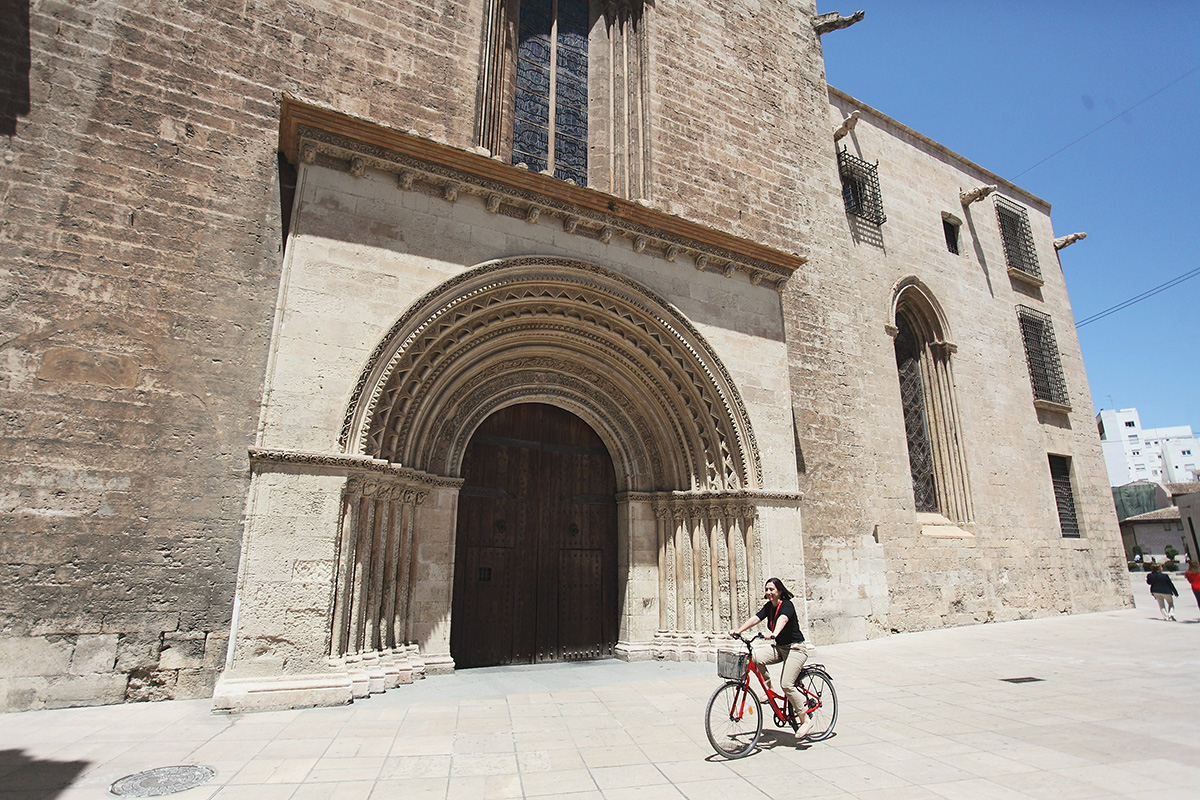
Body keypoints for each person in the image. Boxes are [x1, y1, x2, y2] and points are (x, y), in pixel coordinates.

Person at [730, 577, 813, 738]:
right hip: (780, 648)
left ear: (780, 591)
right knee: (753, 657)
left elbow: (783, 619)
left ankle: (805, 720)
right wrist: (739, 631)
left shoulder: (787, 605)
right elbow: (756, 618)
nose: (768, 592)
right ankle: (770, 690)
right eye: (766, 589)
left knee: (787, 684)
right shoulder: (769, 607)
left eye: (772, 590)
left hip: (795, 648)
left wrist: (774, 633)